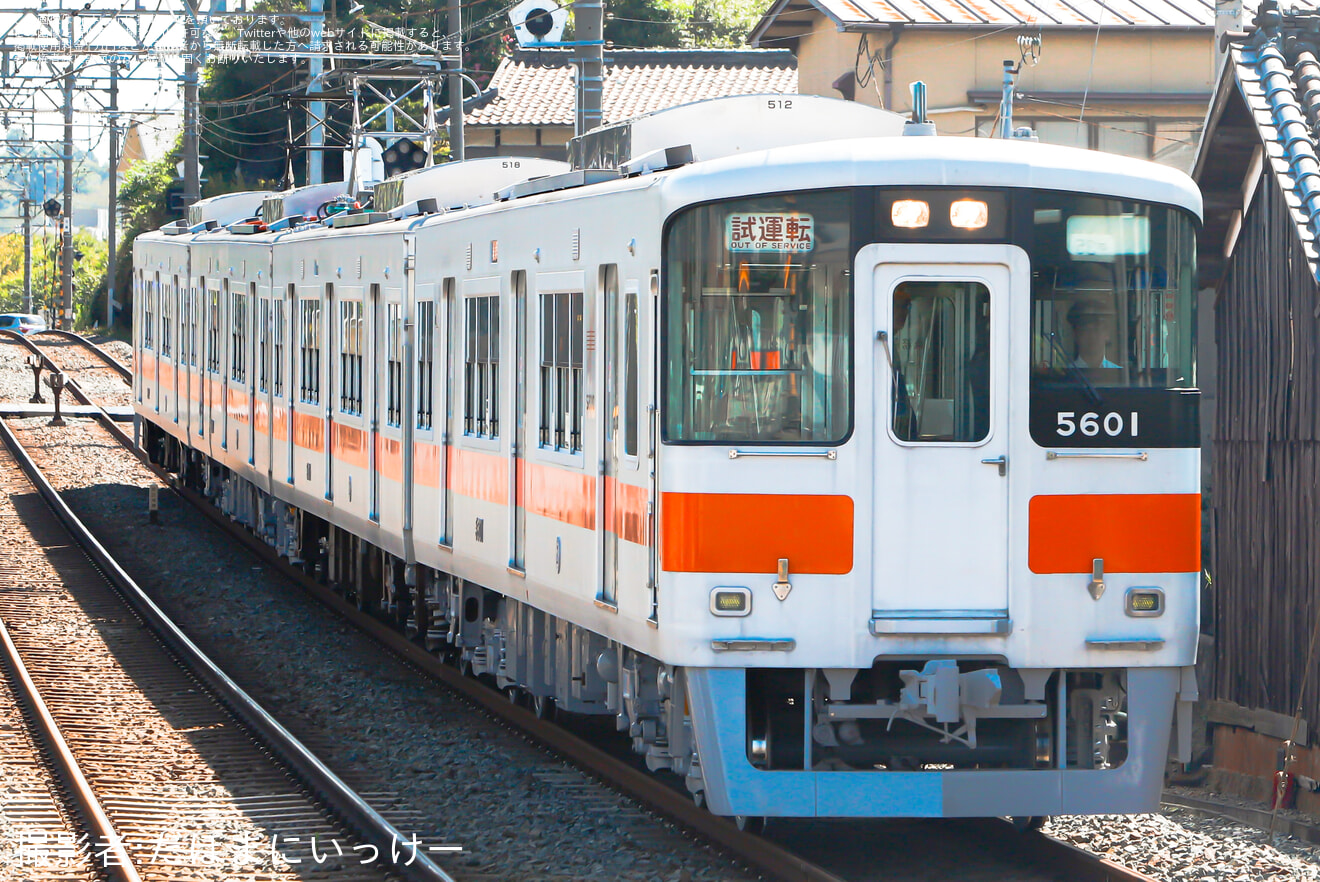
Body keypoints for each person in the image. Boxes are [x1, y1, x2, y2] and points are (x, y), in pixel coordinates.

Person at [1067, 299, 1120, 369]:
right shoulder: (1065, 374)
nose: (1092, 336)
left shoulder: (1118, 374)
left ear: (1107, 334)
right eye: (1085, 330)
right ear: (1075, 335)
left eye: (1096, 329)